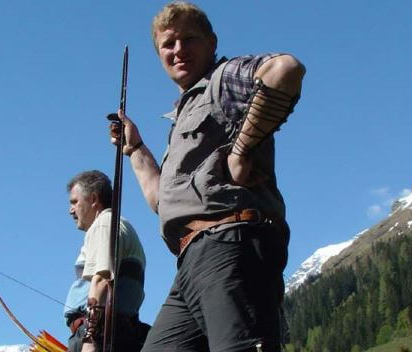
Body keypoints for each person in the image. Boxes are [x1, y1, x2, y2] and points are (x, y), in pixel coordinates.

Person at [109, 2, 305, 351]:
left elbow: (285, 70)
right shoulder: (184, 111)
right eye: (168, 44)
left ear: (212, 43)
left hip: (230, 245)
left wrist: (243, 149)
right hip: (190, 262)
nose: (179, 50)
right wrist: (136, 147)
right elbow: (161, 201)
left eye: (189, 39)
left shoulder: (223, 79)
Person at [64, 170, 150, 352]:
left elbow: (102, 279)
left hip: (101, 333)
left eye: (75, 202)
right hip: (115, 330)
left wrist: (90, 337)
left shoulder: (104, 224)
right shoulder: (117, 224)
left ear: (93, 199)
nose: (71, 210)